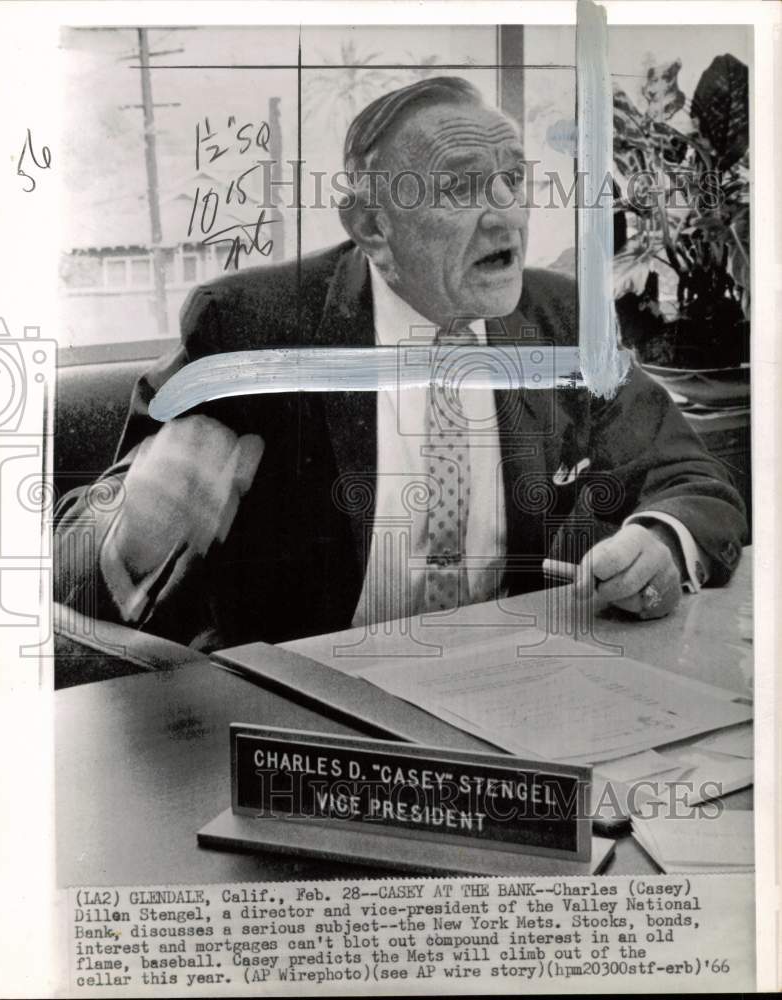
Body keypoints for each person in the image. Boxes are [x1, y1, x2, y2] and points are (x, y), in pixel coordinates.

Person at [54, 77, 746, 651]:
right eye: (460, 188)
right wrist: (139, 532)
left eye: (513, 180)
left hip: (511, 685)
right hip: (307, 716)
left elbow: (693, 479)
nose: (507, 217)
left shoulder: (559, 320)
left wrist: (661, 538)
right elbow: (67, 579)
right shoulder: (250, 327)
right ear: (369, 224)